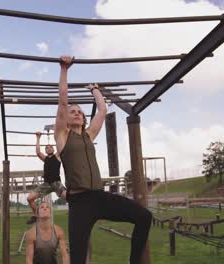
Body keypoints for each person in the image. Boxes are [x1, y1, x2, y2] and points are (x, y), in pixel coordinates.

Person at [54, 56, 153, 264]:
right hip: (79, 203)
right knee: (78, 259)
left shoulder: (89, 135)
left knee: (144, 217)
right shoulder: (63, 137)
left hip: (100, 197)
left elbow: (102, 110)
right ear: (66, 118)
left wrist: (95, 89)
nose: (77, 113)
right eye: (73, 112)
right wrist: (64, 69)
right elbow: (63, 100)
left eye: (80, 112)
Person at [26, 131, 66, 224]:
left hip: (56, 183)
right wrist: (38, 138)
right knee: (29, 198)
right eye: (47, 148)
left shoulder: (57, 156)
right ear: (46, 151)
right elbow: (38, 152)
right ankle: (36, 215)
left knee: (69, 197)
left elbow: (61, 146)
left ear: (53, 149)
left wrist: (60, 134)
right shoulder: (45, 159)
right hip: (46, 184)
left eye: (51, 147)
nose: (49, 148)